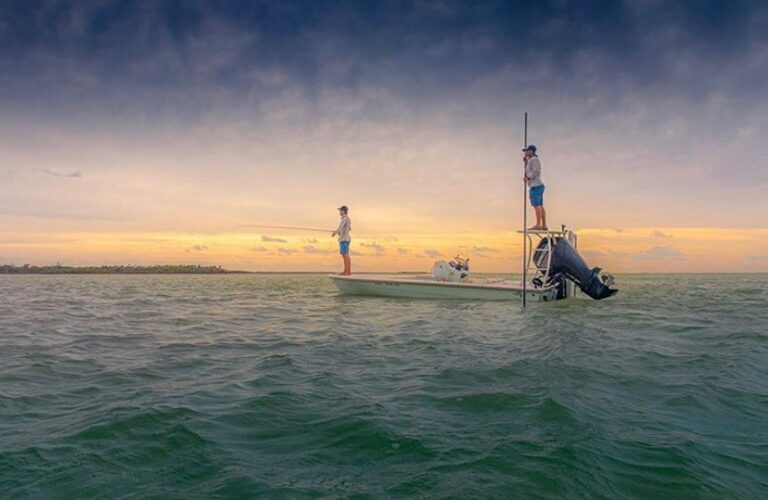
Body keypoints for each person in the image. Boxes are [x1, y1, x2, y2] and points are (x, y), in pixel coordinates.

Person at [523, 144, 547, 230]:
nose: (525, 152)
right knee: (540, 205)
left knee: (537, 205)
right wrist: (526, 163)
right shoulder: (531, 160)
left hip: (535, 185)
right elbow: (531, 170)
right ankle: (543, 225)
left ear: (531, 151)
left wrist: (528, 178)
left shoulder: (534, 160)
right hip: (537, 185)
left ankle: (538, 225)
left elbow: (536, 171)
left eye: (527, 151)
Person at [332, 205, 352, 275]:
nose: (339, 212)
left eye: (340, 210)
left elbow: (340, 227)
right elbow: (349, 229)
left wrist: (335, 232)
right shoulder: (348, 219)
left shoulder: (344, 219)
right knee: (345, 255)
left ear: (343, 211)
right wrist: (339, 232)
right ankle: (347, 271)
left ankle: (346, 271)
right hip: (346, 238)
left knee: (345, 255)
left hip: (344, 239)